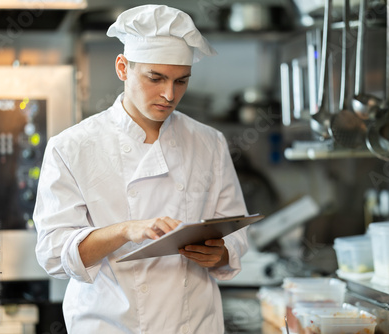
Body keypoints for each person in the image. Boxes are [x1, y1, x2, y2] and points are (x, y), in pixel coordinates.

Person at [33, 4, 249, 333]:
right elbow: (53, 253)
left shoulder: (209, 142)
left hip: (193, 324)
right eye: (155, 78)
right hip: (111, 325)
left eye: (181, 81)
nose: (169, 94)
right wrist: (125, 230)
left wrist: (218, 254)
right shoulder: (72, 147)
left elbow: (235, 235)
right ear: (123, 68)